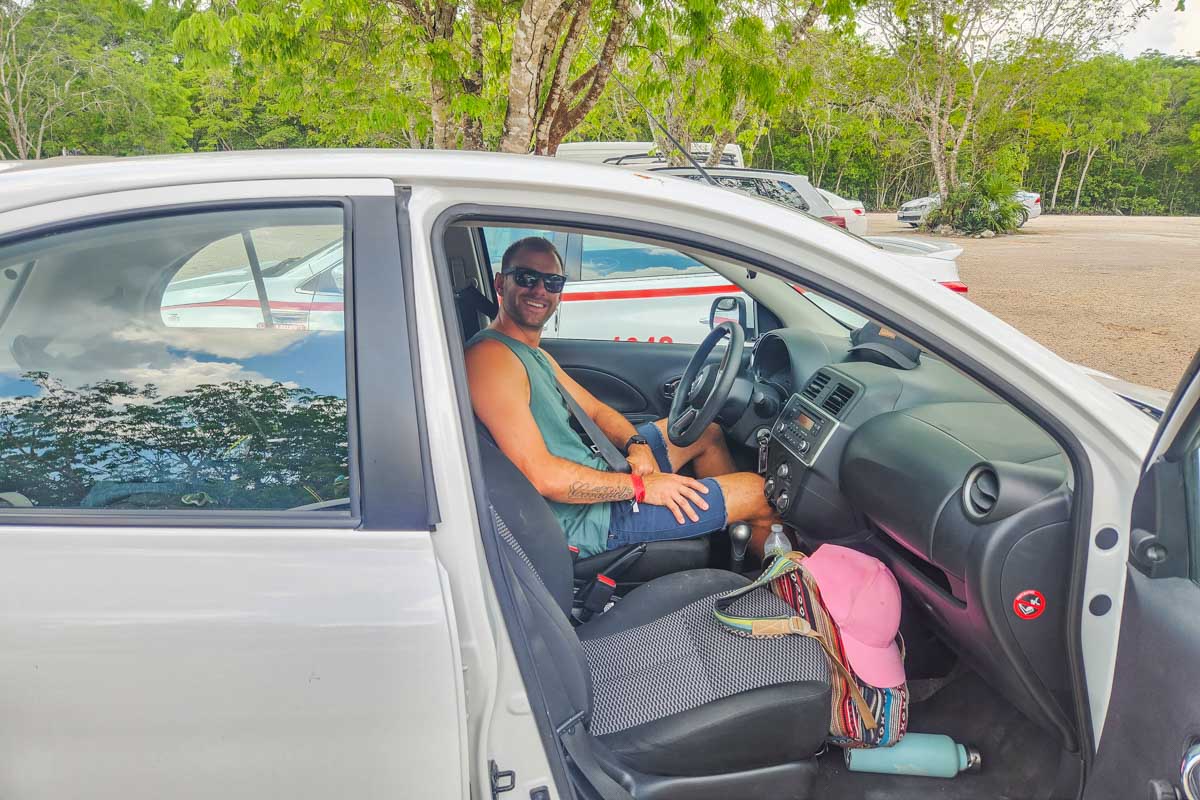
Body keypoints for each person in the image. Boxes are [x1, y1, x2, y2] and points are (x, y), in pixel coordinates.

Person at [465, 235, 780, 558]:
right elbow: (543, 476)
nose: (540, 290)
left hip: (599, 478)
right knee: (759, 494)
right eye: (527, 278)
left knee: (706, 434)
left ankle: (725, 528)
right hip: (586, 518)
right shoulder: (491, 359)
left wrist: (636, 446)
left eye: (553, 281)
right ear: (501, 283)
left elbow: (598, 412)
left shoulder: (531, 354)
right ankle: (782, 585)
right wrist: (641, 487)